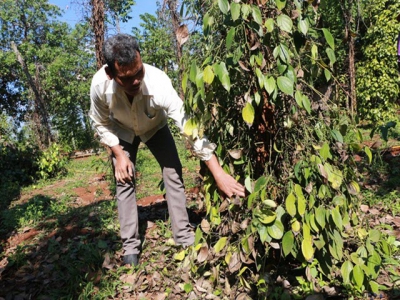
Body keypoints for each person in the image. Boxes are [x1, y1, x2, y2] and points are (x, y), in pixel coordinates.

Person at [89, 34, 245, 266]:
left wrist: (218, 172)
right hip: (121, 131)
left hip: (155, 127)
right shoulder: (100, 85)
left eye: (139, 72)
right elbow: (100, 122)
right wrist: (119, 155)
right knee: (124, 179)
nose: (135, 81)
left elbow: (189, 128)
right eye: (127, 78)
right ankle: (130, 247)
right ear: (111, 74)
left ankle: (183, 235)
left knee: (173, 171)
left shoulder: (158, 82)